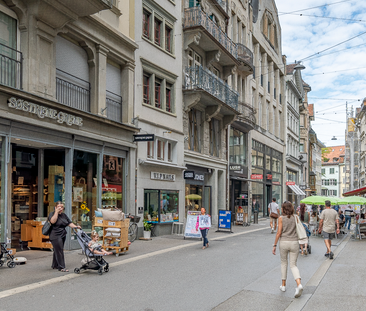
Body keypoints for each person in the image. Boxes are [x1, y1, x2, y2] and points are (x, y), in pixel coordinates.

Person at [272, 201, 303, 298]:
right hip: (294, 242)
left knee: (284, 263)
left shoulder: (281, 218)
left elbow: (278, 233)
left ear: (284, 209)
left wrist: (274, 245)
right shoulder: (296, 217)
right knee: (293, 265)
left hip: (284, 243)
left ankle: (283, 285)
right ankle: (299, 284)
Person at [48, 201, 81, 272]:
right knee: (59, 250)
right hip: (55, 235)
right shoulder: (52, 214)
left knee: (57, 250)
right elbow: (52, 221)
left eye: (62, 207)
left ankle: (54, 265)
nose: (60, 208)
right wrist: (56, 212)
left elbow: (69, 223)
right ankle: (61, 267)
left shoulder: (64, 215)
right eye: (59, 207)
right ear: (55, 207)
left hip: (62, 234)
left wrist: (76, 227)